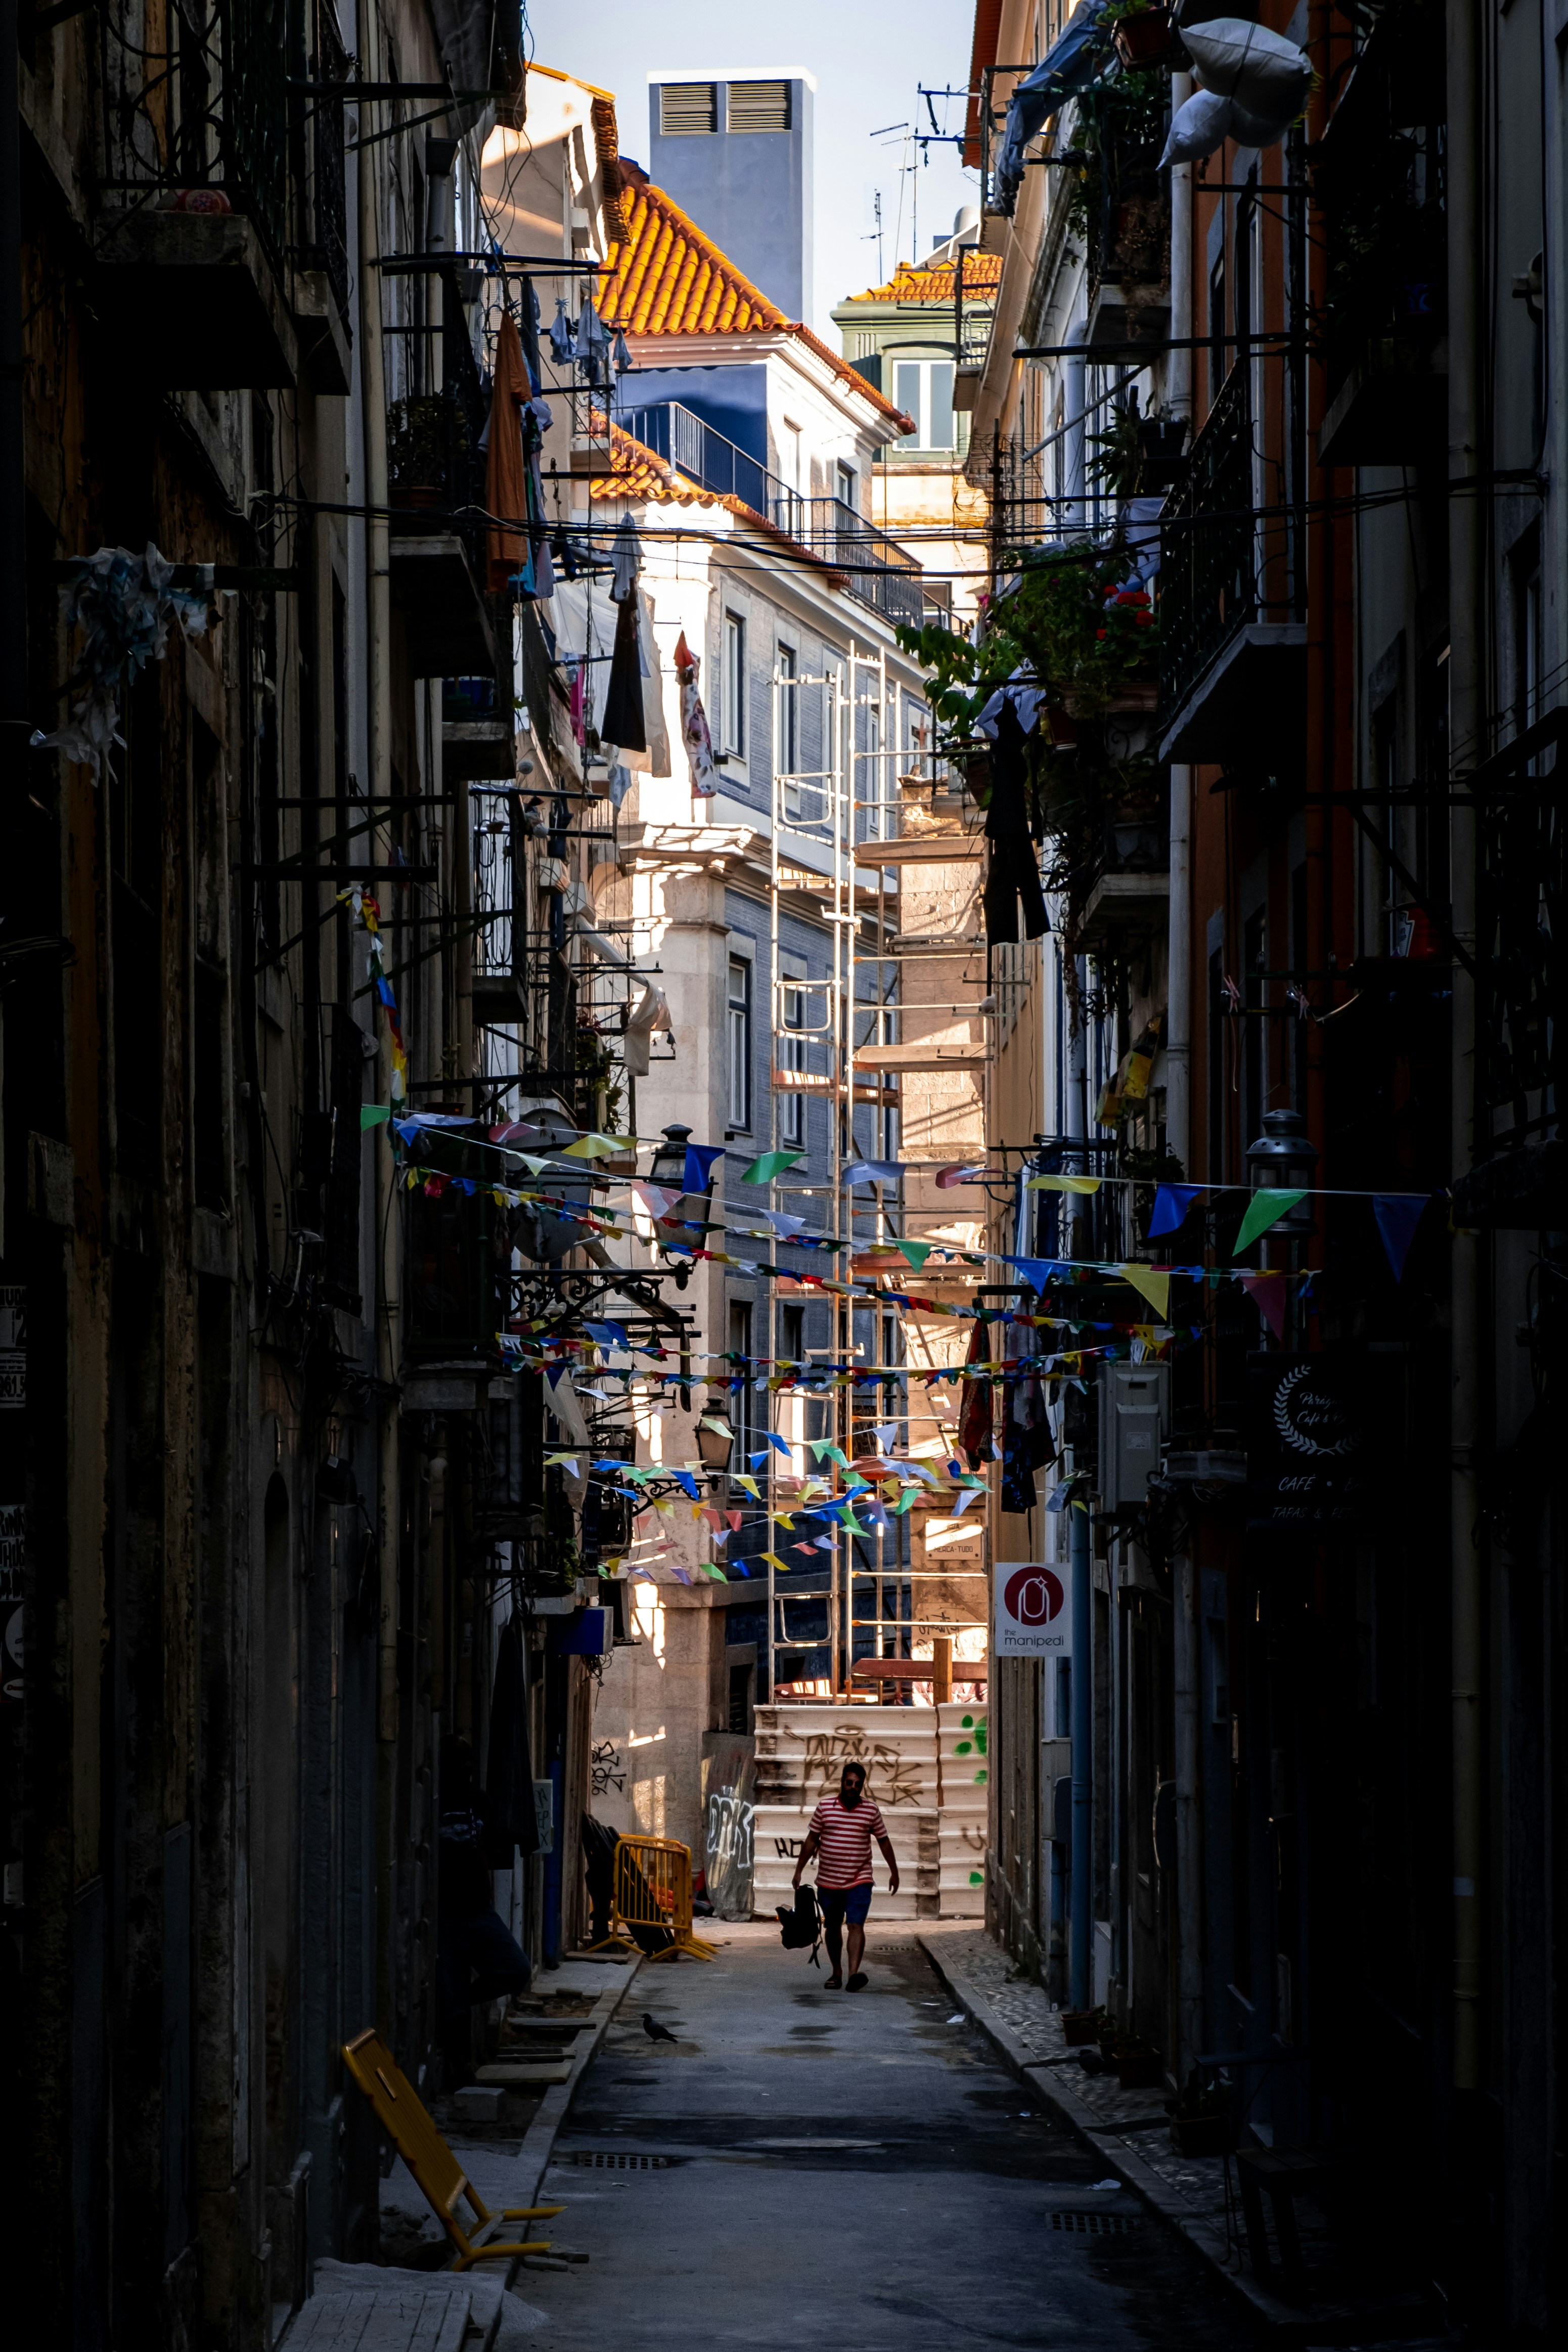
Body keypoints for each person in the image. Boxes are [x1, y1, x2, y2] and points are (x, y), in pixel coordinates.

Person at [437, 1736, 531, 2066]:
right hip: (446, 1913)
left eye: (468, 1762)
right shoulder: (435, 1801)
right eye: (458, 1762)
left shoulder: (479, 1802)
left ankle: (460, 2000)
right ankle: (457, 2077)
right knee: (452, 2009)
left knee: (517, 1969)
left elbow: (489, 1843)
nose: (465, 1769)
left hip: (479, 1909)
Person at [792, 1760, 899, 1990]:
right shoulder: (825, 1808)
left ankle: (853, 1975)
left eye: (857, 1784)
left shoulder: (870, 1811)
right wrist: (798, 1871)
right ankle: (837, 1972)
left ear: (862, 1787)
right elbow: (811, 1841)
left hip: (859, 1880)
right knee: (832, 1926)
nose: (852, 1787)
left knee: (855, 1924)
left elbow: (884, 1841)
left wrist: (894, 1872)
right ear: (842, 1783)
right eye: (849, 1782)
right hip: (829, 1882)